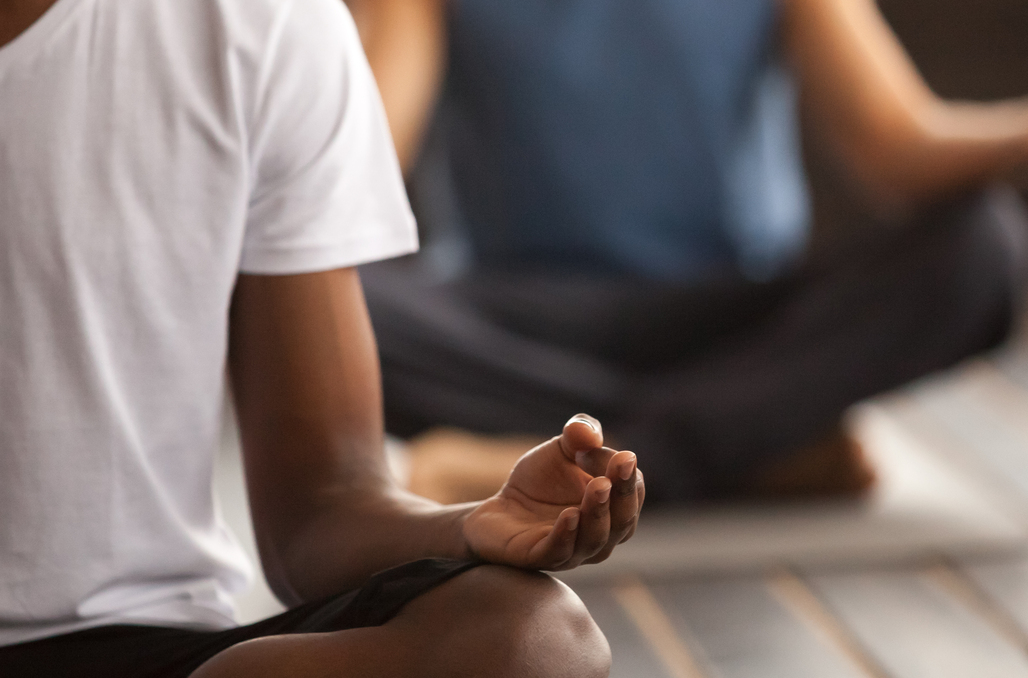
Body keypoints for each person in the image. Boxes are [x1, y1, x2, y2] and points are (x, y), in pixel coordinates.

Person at [0, 0, 642, 675]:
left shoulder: (262, 19)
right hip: (495, 297)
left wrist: (468, 526)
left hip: (147, 646)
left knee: (535, 644)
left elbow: (321, 507)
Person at [348, 0, 1028, 504]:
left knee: (985, 248)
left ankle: (581, 459)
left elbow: (895, 144)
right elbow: (364, 164)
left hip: (734, 317)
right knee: (322, 297)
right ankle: (745, 448)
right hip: (521, 320)